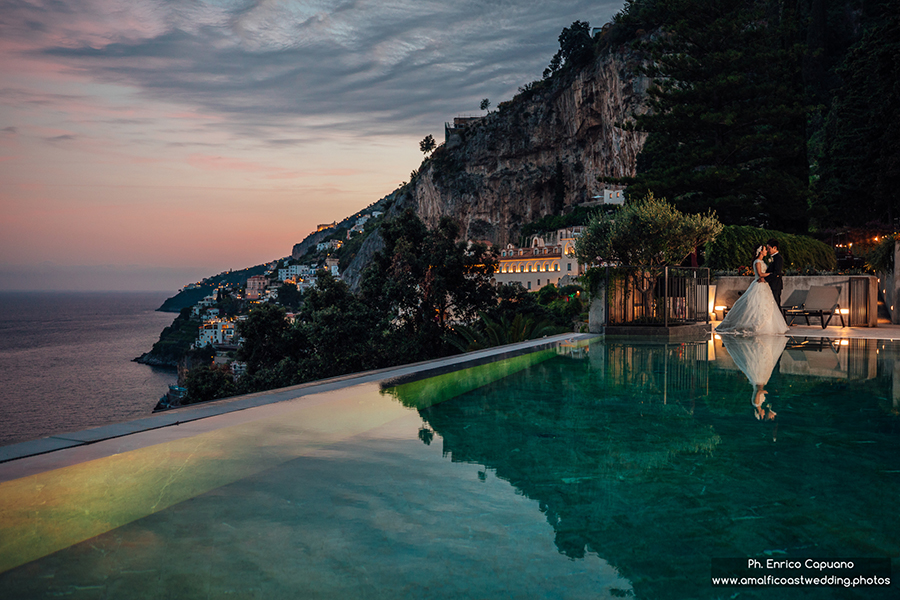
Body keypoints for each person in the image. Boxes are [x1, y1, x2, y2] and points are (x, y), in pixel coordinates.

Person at [716, 245, 789, 335]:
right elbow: (760, 274)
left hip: (765, 286)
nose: (766, 251)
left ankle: (766, 325)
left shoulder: (762, 261)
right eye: (765, 249)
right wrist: (771, 274)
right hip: (758, 284)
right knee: (755, 305)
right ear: (761, 251)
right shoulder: (757, 261)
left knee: (765, 306)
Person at [765, 238, 784, 308]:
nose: (767, 250)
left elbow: (777, 272)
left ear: (775, 248)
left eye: (769, 248)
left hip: (775, 285)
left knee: (776, 305)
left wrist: (766, 279)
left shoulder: (778, 258)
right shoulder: (773, 257)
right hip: (771, 285)